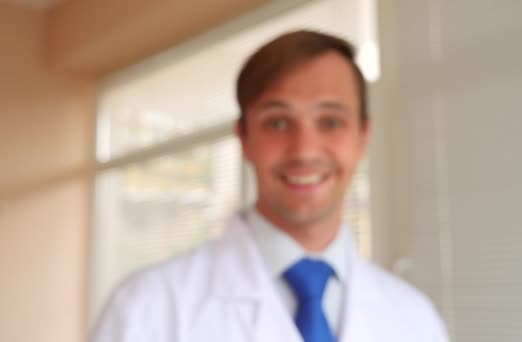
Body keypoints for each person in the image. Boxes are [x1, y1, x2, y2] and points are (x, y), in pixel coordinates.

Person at [92, 30, 449, 342]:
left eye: (330, 121)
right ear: (244, 138)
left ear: (362, 137)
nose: (304, 151)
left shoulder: (416, 320)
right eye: (277, 123)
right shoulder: (147, 309)